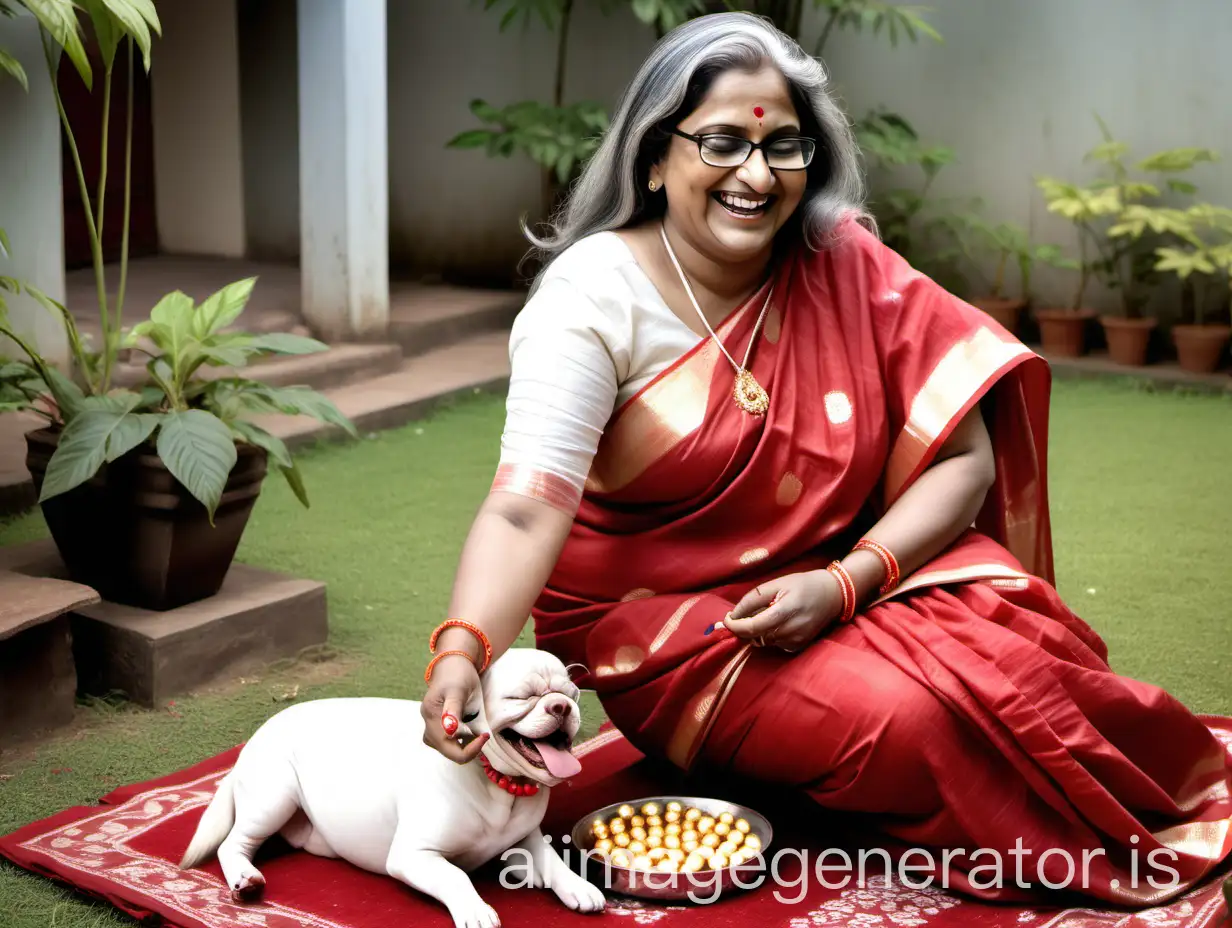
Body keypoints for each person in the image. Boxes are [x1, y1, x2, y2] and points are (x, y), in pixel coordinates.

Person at [419, 11, 1232, 904]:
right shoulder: (590, 300)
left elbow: (966, 460)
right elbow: (527, 507)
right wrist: (463, 649)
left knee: (1039, 650)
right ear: (655, 157)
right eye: (721, 142)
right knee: (911, 720)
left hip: (848, 581)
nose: (757, 175)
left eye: (784, 148)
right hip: (670, 633)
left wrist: (847, 583)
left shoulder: (842, 261)